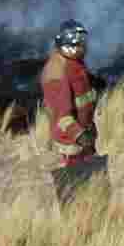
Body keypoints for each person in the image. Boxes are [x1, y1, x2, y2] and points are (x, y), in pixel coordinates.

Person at [39, 19, 98, 173]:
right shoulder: (56, 72)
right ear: (68, 45)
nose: (83, 46)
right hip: (71, 144)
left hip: (84, 135)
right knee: (76, 186)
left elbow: (76, 81)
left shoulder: (74, 62)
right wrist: (80, 137)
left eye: (83, 41)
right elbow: (62, 117)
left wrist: (92, 81)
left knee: (93, 179)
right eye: (79, 43)